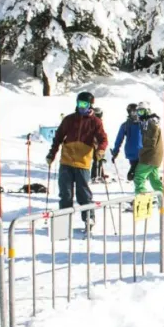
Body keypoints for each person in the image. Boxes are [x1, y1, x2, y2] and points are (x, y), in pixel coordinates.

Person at [46, 92, 108, 232]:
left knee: (83, 194)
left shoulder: (95, 122)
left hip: (83, 162)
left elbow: (103, 139)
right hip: (66, 161)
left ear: (90, 105)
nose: (81, 107)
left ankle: (88, 219)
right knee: (65, 194)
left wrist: (100, 150)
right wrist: (52, 153)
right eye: (79, 104)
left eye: (84, 105)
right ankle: (63, 224)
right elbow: (58, 138)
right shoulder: (69, 119)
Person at [130, 102, 163, 195]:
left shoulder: (150, 123)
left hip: (149, 156)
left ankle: (141, 204)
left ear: (147, 111)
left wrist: (141, 152)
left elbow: (150, 142)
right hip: (154, 156)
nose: (140, 114)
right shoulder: (147, 122)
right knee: (155, 181)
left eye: (142, 111)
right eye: (138, 112)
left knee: (139, 178)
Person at [110, 103, 143, 182]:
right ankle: (138, 187)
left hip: (143, 152)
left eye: (136, 112)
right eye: (133, 112)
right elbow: (119, 139)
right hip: (132, 153)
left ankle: (140, 187)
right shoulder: (126, 125)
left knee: (137, 173)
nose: (135, 114)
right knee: (137, 173)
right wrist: (115, 151)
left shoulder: (143, 123)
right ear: (129, 113)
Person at [90, 108, 106, 183]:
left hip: (99, 143)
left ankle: (100, 175)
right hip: (94, 143)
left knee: (99, 159)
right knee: (96, 159)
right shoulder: (93, 122)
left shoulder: (98, 121)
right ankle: (94, 176)